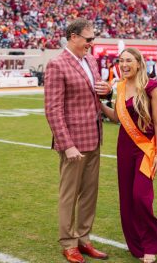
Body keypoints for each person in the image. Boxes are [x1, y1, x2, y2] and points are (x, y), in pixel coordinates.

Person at [45, 18, 110, 263]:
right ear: (73, 36)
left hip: (94, 136)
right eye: (88, 39)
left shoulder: (91, 61)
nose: (91, 44)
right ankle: (68, 243)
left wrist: (107, 91)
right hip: (73, 142)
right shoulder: (57, 64)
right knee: (69, 195)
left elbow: (96, 94)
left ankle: (83, 239)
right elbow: (53, 110)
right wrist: (67, 144)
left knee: (90, 194)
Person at [101, 48, 157, 263]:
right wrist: (98, 103)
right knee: (127, 199)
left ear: (139, 63)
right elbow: (116, 118)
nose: (124, 64)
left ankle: (151, 244)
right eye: (121, 61)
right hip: (124, 147)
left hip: (146, 148)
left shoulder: (151, 87)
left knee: (141, 197)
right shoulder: (120, 87)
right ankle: (136, 244)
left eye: (129, 60)